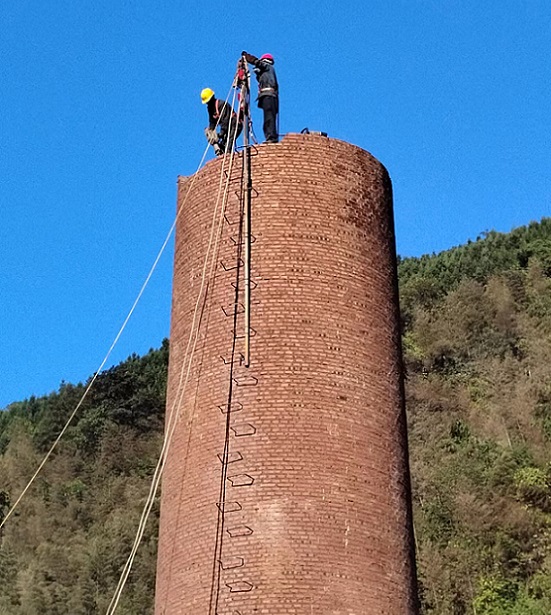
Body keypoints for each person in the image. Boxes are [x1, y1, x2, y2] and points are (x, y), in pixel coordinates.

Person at [242, 52, 279, 143]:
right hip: (269, 97)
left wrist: (248, 57)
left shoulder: (267, 67)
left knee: (269, 118)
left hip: (269, 96)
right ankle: (270, 137)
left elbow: (257, 63)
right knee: (268, 118)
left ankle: (271, 138)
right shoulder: (268, 72)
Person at [200, 88, 243, 155]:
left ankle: (228, 156)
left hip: (234, 124)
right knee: (223, 146)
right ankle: (221, 153)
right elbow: (212, 122)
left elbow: (225, 121)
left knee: (228, 144)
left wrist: (221, 134)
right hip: (226, 127)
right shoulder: (210, 108)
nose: (207, 104)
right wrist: (211, 133)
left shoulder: (221, 104)